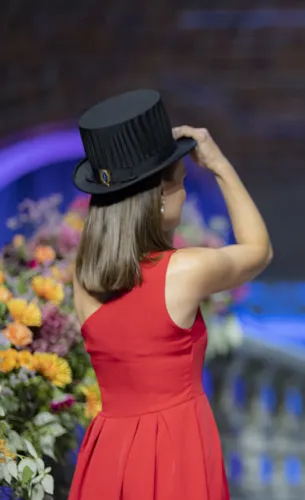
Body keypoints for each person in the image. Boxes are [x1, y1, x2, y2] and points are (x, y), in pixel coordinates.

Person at [68, 89, 272, 499]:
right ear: (158, 199)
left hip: (109, 453)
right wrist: (218, 164)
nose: (185, 193)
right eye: (180, 185)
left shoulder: (83, 275)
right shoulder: (183, 271)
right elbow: (259, 251)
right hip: (174, 449)